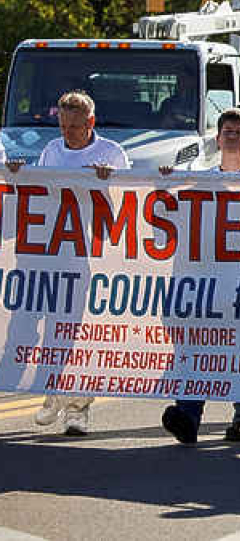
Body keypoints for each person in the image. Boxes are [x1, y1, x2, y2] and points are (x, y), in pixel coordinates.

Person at [160, 107, 240, 445]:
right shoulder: (199, 179)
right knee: (195, 345)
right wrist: (164, 183)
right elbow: (166, 215)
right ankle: (188, 416)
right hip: (202, 280)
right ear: (218, 138)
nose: (234, 137)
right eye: (228, 132)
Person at [23, 91, 130, 436]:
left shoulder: (111, 153)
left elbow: (131, 204)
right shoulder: (52, 151)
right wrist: (17, 175)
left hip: (94, 257)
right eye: (64, 126)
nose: (68, 133)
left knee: (81, 334)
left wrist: (107, 182)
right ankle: (54, 391)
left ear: (91, 123)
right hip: (56, 255)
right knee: (53, 328)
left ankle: (78, 409)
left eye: (76, 126)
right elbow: (38, 194)